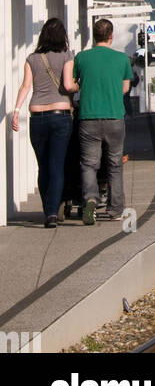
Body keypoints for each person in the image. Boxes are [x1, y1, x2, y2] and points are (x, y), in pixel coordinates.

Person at [63, 18, 133, 226]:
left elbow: (73, 84)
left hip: (88, 119)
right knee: (114, 164)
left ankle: (90, 201)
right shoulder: (122, 59)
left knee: (88, 164)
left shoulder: (82, 58)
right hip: (114, 118)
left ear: (94, 36)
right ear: (111, 36)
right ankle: (116, 209)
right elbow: (125, 88)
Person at [10, 17, 74, 228]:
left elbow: (25, 87)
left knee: (43, 167)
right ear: (62, 36)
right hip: (60, 116)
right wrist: (77, 87)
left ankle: (48, 209)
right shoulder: (67, 56)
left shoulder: (32, 58)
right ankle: (52, 213)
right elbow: (67, 84)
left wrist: (17, 111)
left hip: (37, 117)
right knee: (57, 166)